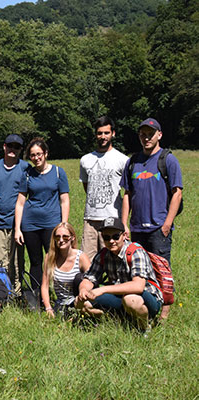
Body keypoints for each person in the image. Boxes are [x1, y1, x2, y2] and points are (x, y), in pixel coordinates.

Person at [120, 118, 182, 320]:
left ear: (159, 135)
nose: (146, 138)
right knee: (138, 271)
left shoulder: (168, 160)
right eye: (143, 134)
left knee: (162, 269)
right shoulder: (133, 161)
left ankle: (163, 313)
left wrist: (167, 224)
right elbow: (127, 194)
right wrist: (124, 223)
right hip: (137, 226)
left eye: (150, 134)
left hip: (158, 227)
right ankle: (143, 308)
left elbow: (177, 193)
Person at [75, 217, 163, 332]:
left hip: (147, 297)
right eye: (106, 237)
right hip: (119, 296)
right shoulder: (103, 254)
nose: (111, 241)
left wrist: (103, 290)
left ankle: (144, 328)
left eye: (115, 236)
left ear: (124, 236)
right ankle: (119, 321)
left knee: (130, 300)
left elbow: (138, 286)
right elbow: (89, 278)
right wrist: (83, 291)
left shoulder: (136, 252)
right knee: (81, 303)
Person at [14, 137, 70, 291]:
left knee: (55, 259)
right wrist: (18, 228)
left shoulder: (58, 172)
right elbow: (20, 202)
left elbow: (64, 200)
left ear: (45, 153)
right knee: (35, 261)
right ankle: (37, 296)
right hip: (30, 224)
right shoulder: (27, 174)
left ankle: (59, 293)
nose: (36, 158)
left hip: (52, 224)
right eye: (32, 155)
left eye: (39, 154)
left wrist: (64, 224)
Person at [0, 134, 29, 296]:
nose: (12, 150)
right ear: (4, 146)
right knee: (0, 261)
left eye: (16, 147)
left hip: (18, 224)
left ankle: (16, 293)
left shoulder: (25, 168)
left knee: (17, 261)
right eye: (10, 146)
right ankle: (3, 292)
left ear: (21, 150)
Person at [79, 116, 128, 261]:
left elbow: (127, 192)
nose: (103, 137)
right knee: (87, 263)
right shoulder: (85, 160)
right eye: (100, 133)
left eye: (106, 133)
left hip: (112, 218)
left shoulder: (122, 160)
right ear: (95, 134)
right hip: (90, 219)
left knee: (115, 262)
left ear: (113, 133)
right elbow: (87, 187)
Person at [41, 222, 90, 318]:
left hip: (79, 302)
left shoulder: (81, 257)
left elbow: (92, 280)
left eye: (65, 237)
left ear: (72, 238)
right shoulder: (50, 258)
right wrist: (48, 308)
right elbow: (45, 286)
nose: (61, 240)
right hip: (61, 304)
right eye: (57, 237)